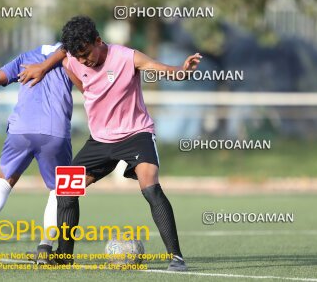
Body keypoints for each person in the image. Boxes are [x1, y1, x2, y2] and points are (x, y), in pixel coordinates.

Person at [19, 16, 201, 271]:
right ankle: (64, 255)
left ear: (98, 40)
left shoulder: (127, 57)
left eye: (86, 53)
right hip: (100, 140)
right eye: (78, 57)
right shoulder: (72, 58)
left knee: (151, 188)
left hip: (136, 134)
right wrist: (43, 67)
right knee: (65, 190)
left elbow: (159, 68)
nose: (83, 61)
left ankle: (177, 258)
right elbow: (65, 55)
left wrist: (182, 71)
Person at [0, 43, 83, 264]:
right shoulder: (71, 58)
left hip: (20, 130)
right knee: (60, 190)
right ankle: (45, 247)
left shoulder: (26, 56)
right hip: (55, 133)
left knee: (4, 180)